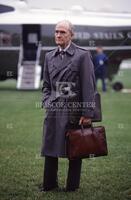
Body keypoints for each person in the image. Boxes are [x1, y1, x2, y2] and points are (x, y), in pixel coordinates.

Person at [40, 20, 96, 192]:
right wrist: (47, 101)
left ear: (71, 35)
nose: (58, 35)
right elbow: (46, 85)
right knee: (49, 147)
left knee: (75, 147)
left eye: (63, 32)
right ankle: (49, 185)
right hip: (54, 109)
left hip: (74, 110)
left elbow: (89, 86)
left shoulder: (82, 55)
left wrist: (87, 112)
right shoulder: (49, 56)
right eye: (56, 31)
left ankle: (72, 187)